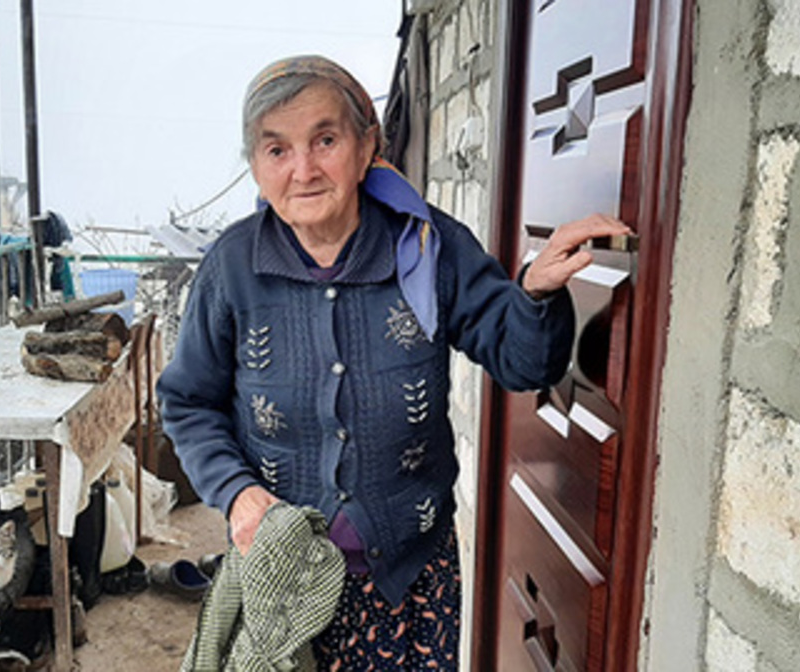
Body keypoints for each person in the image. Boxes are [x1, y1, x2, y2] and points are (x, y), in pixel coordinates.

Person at [157, 55, 629, 670]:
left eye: (324, 140)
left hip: (407, 579)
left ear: (366, 146)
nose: (303, 170)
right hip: (281, 575)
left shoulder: (427, 244)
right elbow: (188, 401)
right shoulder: (232, 267)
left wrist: (535, 293)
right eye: (277, 151)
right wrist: (238, 495)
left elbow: (523, 365)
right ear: (256, 165)